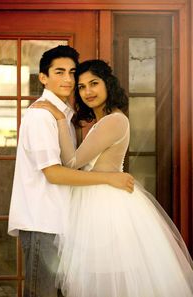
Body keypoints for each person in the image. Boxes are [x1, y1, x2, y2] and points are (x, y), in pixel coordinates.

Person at [32, 59, 193, 297]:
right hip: (96, 198)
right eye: (82, 87)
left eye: (94, 83)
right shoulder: (102, 122)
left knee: (108, 276)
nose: (88, 92)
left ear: (108, 84)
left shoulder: (114, 120)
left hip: (106, 205)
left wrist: (57, 118)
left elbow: (72, 163)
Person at [8, 47, 134, 297]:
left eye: (72, 73)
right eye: (59, 72)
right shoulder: (42, 115)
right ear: (43, 77)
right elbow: (55, 173)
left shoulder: (65, 116)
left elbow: (72, 162)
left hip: (66, 219)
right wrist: (110, 178)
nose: (68, 79)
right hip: (41, 220)